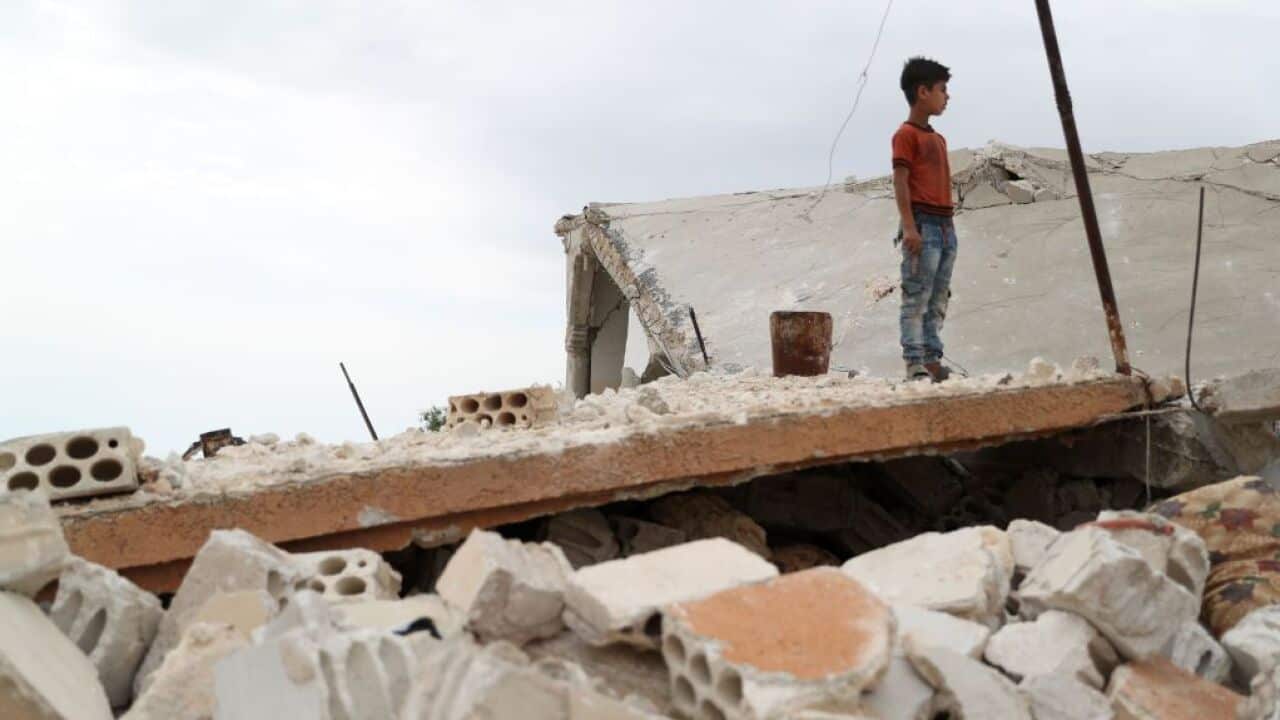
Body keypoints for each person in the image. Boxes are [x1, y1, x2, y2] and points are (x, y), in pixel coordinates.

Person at [892, 57, 955, 382]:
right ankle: (914, 361)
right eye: (942, 90)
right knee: (917, 295)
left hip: (945, 225)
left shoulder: (939, 139)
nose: (947, 96)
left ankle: (932, 359)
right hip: (923, 223)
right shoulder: (906, 135)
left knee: (939, 295)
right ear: (922, 92)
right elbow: (901, 181)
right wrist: (909, 226)